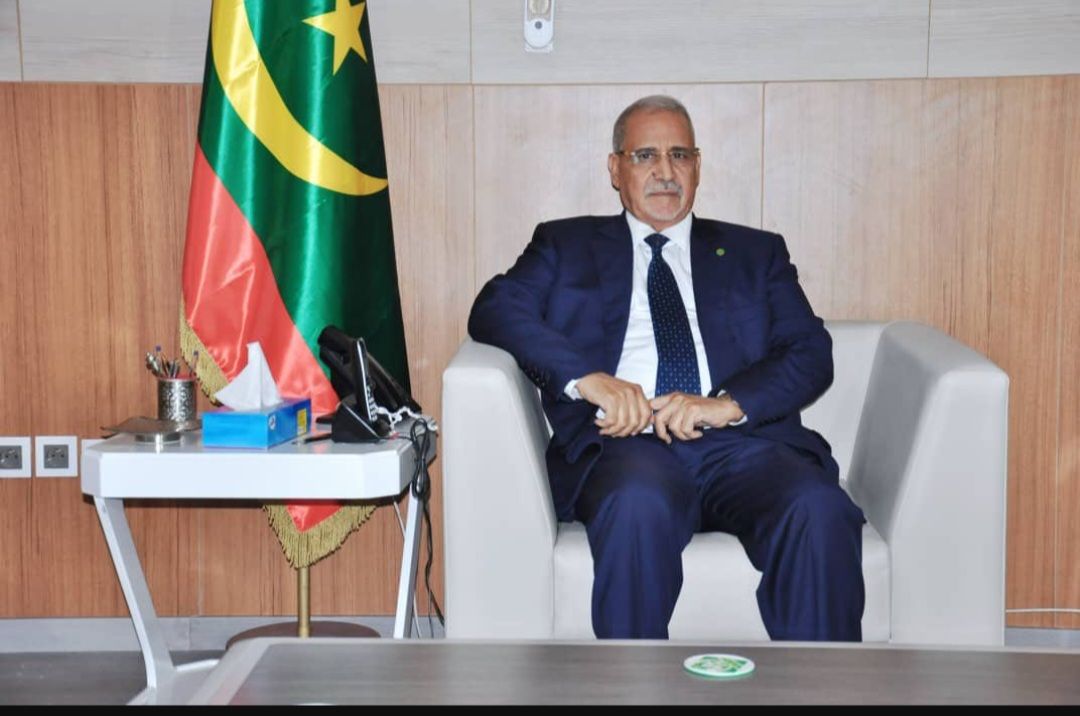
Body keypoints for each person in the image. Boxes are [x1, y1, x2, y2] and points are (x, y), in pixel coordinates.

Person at [468, 95, 865, 641]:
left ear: (697, 168)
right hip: (624, 445)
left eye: (680, 155)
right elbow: (494, 308)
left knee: (819, 508)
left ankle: (821, 684)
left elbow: (810, 351)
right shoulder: (565, 244)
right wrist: (589, 380)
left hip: (740, 446)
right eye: (645, 156)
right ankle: (634, 682)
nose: (665, 171)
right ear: (615, 169)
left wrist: (727, 404)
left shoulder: (755, 253)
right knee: (636, 505)